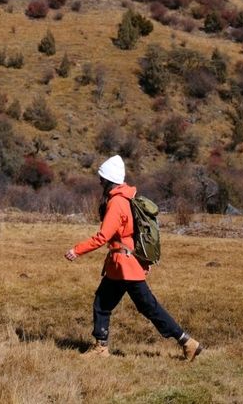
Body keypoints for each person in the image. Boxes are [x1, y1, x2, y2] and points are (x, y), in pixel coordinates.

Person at [64, 154, 203, 360]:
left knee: (142, 307)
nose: (99, 182)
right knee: (108, 303)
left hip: (124, 267)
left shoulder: (117, 203)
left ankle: (186, 341)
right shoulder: (126, 198)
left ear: (108, 180)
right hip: (125, 265)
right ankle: (185, 342)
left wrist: (77, 250)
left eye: (101, 178)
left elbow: (103, 236)